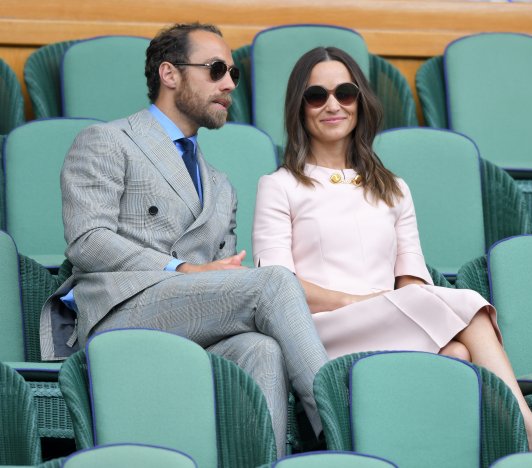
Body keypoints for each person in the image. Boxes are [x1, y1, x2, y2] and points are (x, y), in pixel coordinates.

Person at [251, 46, 532, 453]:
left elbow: (412, 281)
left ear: (360, 101)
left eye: (345, 93)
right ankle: (529, 432)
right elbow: (276, 286)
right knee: (468, 304)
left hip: (389, 319)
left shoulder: (394, 188)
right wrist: (361, 301)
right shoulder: (279, 186)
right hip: (323, 328)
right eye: (316, 95)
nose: (333, 105)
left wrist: (390, 304)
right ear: (299, 106)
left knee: (457, 351)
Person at [39, 23, 328, 456]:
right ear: (169, 74)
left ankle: (265, 462)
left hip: (193, 320)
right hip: (120, 313)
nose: (229, 84)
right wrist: (181, 268)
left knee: (262, 348)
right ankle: (337, 428)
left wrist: (209, 274)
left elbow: (221, 275)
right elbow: (88, 240)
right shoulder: (109, 141)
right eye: (215, 70)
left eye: (233, 73)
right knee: (273, 282)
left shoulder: (220, 185)